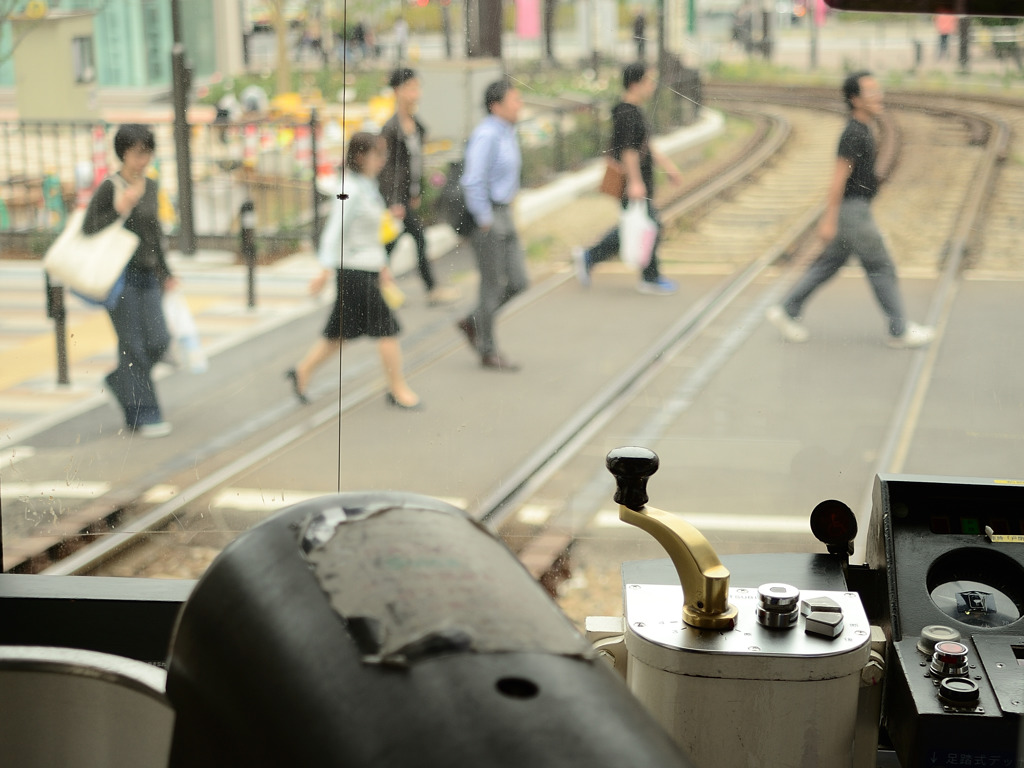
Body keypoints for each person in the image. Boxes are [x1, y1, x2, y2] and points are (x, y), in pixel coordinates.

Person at [766, 72, 934, 349]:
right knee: (881, 266)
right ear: (855, 99)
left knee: (829, 263)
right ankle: (899, 329)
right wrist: (828, 220)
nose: (877, 96)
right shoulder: (853, 133)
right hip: (852, 213)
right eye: (870, 93)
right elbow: (837, 181)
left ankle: (786, 310)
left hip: (853, 211)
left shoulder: (863, 128)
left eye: (878, 90)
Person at [286, 132, 420, 410]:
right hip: (354, 272)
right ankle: (397, 389)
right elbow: (336, 229)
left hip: (365, 268)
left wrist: (382, 265)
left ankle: (302, 372)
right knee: (387, 330)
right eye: (377, 154)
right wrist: (324, 269)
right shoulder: (350, 188)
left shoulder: (366, 185)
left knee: (340, 333)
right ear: (360, 156)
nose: (382, 161)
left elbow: (370, 233)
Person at [83, 124, 176, 438]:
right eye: (138, 152)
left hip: (148, 274)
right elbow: (88, 228)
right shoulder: (111, 187)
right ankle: (146, 414)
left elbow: (155, 233)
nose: (143, 159)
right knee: (133, 346)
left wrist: (167, 272)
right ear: (123, 152)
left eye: (147, 152)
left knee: (159, 341)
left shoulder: (151, 186)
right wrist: (118, 210)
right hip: (119, 277)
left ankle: (119, 381)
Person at [572, 62, 683, 295]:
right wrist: (635, 182)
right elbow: (628, 151)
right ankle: (649, 276)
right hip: (631, 183)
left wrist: (668, 167)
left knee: (637, 226)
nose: (652, 87)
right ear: (635, 84)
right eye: (649, 82)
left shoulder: (633, 110)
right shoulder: (626, 113)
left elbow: (646, 144)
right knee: (649, 225)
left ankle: (590, 256)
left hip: (638, 181)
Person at [456, 80, 528, 372]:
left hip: (505, 214)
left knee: (519, 281)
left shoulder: (506, 132)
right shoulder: (487, 135)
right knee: (491, 285)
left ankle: (473, 321)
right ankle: (487, 349)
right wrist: (484, 218)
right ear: (495, 106)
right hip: (490, 217)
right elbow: (472, 179)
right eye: (514, 100)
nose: (519, 105)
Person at [379, 67, 459, 306]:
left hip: (405, 197)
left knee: (393, 244)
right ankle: (431, 289)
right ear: (397, 91)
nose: (416, 93)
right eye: (410, 87)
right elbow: (389, 169)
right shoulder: (391, 129)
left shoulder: (414, 124)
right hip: (396, 199)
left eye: (417, 87)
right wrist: (394, 201)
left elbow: (413, 164)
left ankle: (374, 285)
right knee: (417, 240)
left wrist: (415, 192)